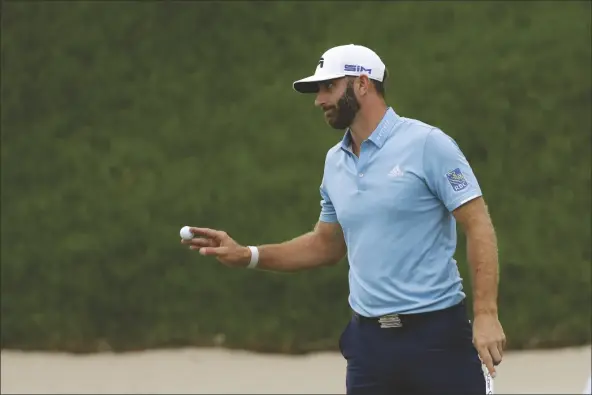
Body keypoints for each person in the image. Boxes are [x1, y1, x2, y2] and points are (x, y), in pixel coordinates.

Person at [181, 44, 505, 394]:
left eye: (329, 87)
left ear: (363, 84)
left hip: (437, 337)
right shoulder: (334, 162)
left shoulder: (428, 144)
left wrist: (486, 313)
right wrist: (248, 255)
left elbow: (477, 222)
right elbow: (326, 244)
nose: (319, 99)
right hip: (370, 348)